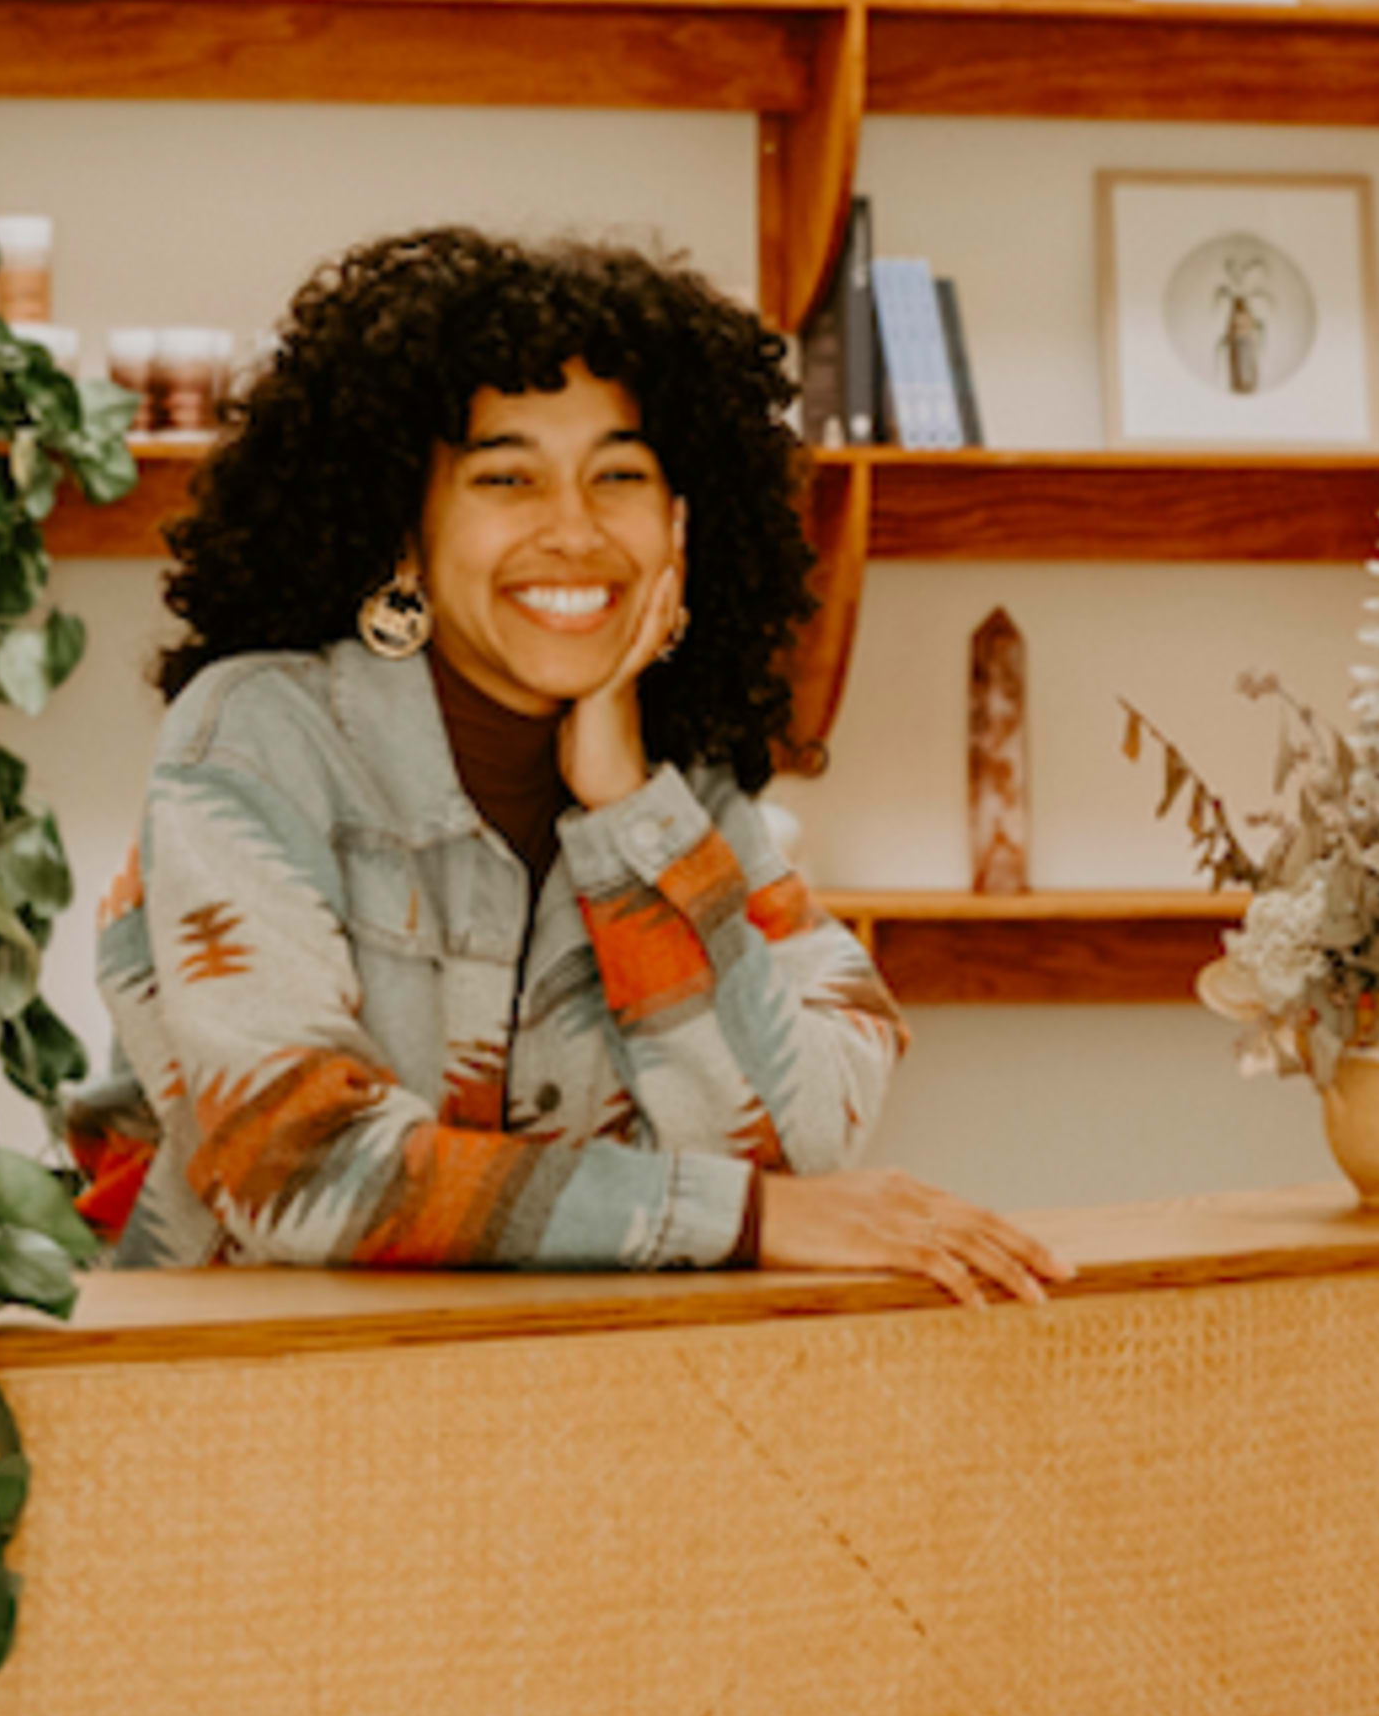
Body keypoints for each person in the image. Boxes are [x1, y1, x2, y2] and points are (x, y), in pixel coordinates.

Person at [81, 228, 1067, 1310]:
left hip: (574, 1411)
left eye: (621, 475)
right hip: (253, 1407)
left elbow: (802, 1147)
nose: (573, 527)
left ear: (682, 527)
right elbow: (295, 1162)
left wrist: (630, 811)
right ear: (406, 525)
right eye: (507, 476)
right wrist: (733, 1219)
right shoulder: (259, 737)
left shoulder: (679, 793)